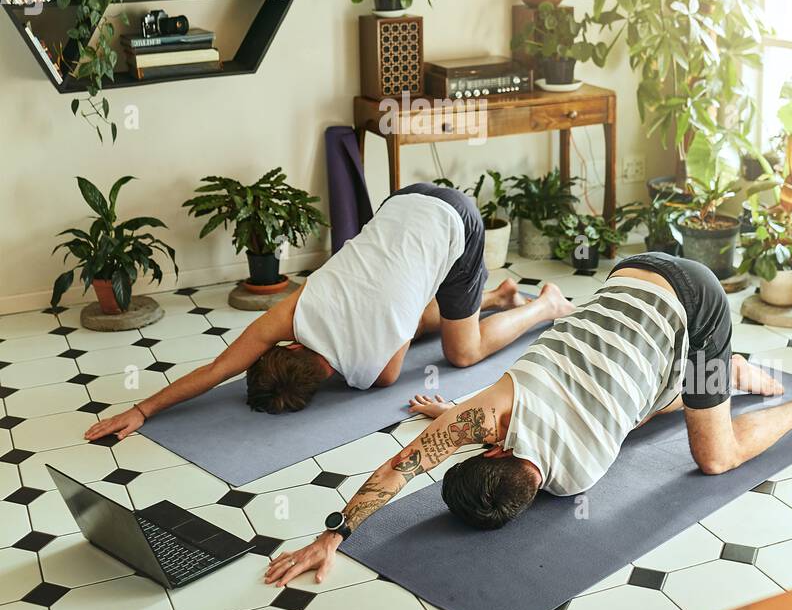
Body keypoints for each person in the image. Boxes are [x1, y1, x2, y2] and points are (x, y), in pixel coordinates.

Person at [264, 252, 792, 587]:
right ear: (489, 448)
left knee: (631, 410)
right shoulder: (490, 413)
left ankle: (715, 377)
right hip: (661, 285)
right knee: (716, 457)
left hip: (657, 318)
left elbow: (618, 414)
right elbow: (398, 469)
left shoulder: (578, 476)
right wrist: (331, 534)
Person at [83, 182, 571, 442]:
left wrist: (146, 411)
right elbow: (215, 371)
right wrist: (140, 407)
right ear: (287, 348)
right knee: (407, 309)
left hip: (459, 223)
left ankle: (545, 304)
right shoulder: (291, 313)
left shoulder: (374, 375)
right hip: (403, 201)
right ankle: (497, 295)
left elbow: (402, 318)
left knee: (462, 354)